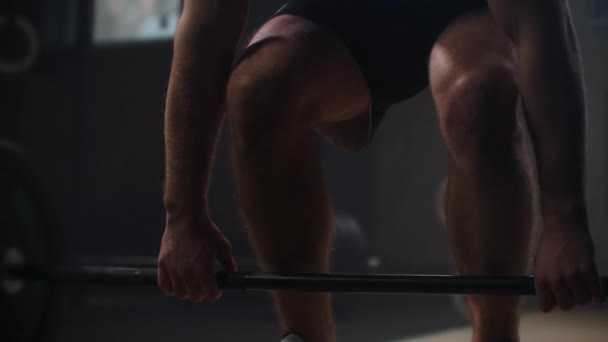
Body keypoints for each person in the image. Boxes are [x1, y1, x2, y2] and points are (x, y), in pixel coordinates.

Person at [157, 1, 606, 341]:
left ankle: (495, 334)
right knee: (258, 89)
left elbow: (540, 29)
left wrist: (565, 221)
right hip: (344, 18)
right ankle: (304, 335)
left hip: (463, 10)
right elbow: (205, 36)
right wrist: (183, 215)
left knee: (481, 97)